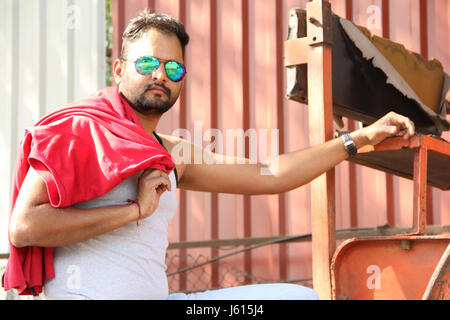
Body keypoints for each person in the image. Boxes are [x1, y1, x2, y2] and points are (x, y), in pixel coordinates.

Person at [3, 11, 415, 300]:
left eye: (173, 68)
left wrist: (357, 141)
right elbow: (24, 226)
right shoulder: (79, 130)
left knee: (297, 298)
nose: (160, 74)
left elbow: (269, 173)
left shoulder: (171, 154)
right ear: (118, 70)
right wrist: (135, 210)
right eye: (147, 62)